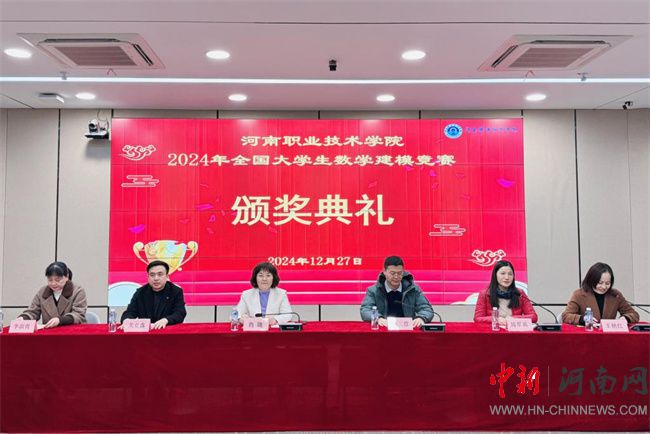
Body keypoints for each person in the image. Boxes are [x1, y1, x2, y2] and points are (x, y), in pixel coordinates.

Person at [360, 256, 434, 327]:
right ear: (384, 272)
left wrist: (421, 318)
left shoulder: (413, 289)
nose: (396, 277)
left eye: (399, 273)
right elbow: (365, 310)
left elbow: (426, 309)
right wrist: (378, 318)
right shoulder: (373, 291)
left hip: (407, 330)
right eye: (392, 273)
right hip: (384, 330)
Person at [561, 262, 639, 325]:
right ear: (591, 280)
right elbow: (566, 316)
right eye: (600, 283)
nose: (604, 287)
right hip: (586, 335)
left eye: (607, 283)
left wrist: (626, 318)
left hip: (609, 335)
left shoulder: (615, 295)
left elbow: (634, 314)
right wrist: (582, 319)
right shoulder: (579, 294)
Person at [17, 261, 87, 328]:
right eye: (50, 280)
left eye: (57, 280)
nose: (53, 283)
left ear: (66, 277)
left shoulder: (77, 291)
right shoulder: (42, 292)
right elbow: (33, 311)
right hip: (50, 332)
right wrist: (23, 318)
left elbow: (79, 315)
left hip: (73, 331)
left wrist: (60, 320)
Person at [120, 260, 186, 329]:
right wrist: (126, 320)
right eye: (152, 275)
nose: (156, 278)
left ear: (167, 276)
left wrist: (166, 320)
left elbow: (180, 313)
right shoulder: (140, 292)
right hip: (147, 332)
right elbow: (130, 312)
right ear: (148, 277)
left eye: (160, 274)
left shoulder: (175, 291)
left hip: (166, 330)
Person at [474, 260, 538, 325]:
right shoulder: (485, 294)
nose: (507, 277)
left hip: (513, 330)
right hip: (493, 330)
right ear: (495, 275)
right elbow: (478, 318)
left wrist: (512, 319)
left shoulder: (519, 293)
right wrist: (496, 319)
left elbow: (533, 317)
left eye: (510, 274)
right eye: (503, 273)